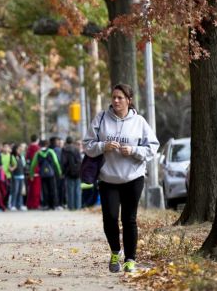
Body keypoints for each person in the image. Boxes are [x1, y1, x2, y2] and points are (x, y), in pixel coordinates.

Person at [83, 83, 158, 274]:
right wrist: (103, 146)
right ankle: (115, 252)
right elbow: (87, 145)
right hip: (108, 178)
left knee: (129, 219)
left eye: (120, 98)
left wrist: (133, 150)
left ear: (129, 100)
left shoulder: (139, 122)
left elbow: (152, 148)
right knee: (109, 218)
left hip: (133, 177)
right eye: (114, 97)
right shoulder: (101, 119)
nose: (116, 100)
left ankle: (130, 259)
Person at [29, 139, 62, 210]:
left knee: (44, 189)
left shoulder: (38, 153)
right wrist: (59, 172)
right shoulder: (51, 151)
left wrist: (31, 174)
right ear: (47, 145)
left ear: (40, 145)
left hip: (42, 174)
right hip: (51, 173)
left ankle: (46, 204)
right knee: (52, 188)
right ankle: (53, 205)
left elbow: (33, 165)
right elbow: (56, 162)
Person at [61, 136, 83, 210]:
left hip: (68, 172)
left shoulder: (64, 150)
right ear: (72, 142)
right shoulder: (76, 149)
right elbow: (80, 161)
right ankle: (78, 206)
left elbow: (63, 162)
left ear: (66, 142)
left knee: (70, 190)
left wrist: (63, 172)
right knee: (77, 190)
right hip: (77, 172)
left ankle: (71, 206)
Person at [25, 135, 42, 209]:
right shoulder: (38, 149)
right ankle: (35, 204)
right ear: (37, 140)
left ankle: (29, 204)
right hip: (36, 171)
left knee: (30, 189)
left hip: (29, 171)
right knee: (36, 189)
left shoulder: (28, 148)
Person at [9, 143, 27, 211]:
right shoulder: (12, 156)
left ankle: (20, 204)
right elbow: (11, 166)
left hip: (21, 175)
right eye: (18, 149)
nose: (20, 150)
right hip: (15, 176)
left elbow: (23, 165)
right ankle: (13, 204)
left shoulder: (21, 156)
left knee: (20, 191)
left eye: (20, 149)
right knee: (15, 191)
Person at [50, 136, 66, 208]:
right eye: (59, 142)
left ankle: (59, 203)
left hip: (58, 172)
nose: (60, 144)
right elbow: (59, 162)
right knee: (60, 188)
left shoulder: (57, 150)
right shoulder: (58, 150)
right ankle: (60, 203)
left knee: (59, 188)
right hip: (59, 172)